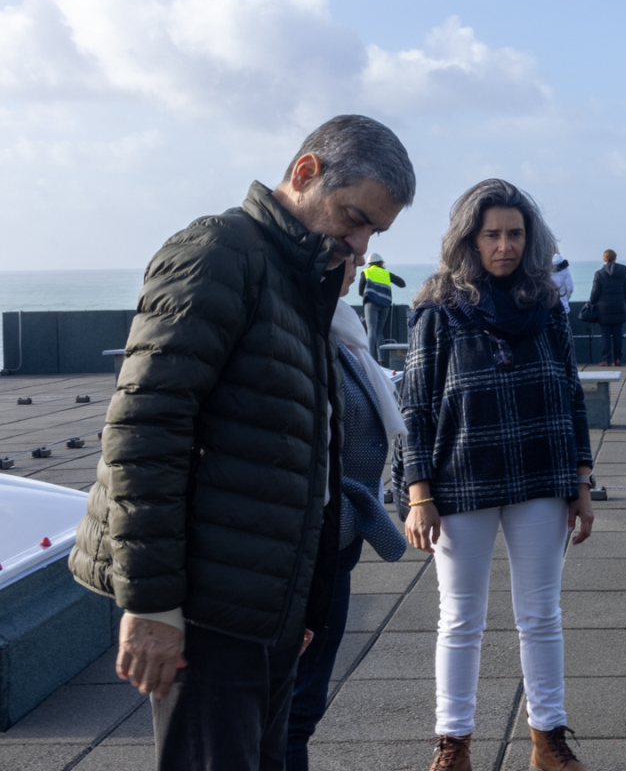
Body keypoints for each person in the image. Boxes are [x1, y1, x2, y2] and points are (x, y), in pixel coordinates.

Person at [68, 114, 416, 771]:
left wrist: (304, 601)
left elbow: (308, 458)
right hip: (207, 610)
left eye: (374, 230)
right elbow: (144, 432)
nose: (361, 245)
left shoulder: (298, 280)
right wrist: (151, 606)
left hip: (267, 606)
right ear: (306, 172)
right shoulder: (219, 252)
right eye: (353, 217)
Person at [399, 178, 595, 771]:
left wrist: (581, 482)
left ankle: (547, 740)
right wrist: (418, 494)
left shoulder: (546, 306)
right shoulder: (439, 309)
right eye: (493, 235)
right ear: (471, 239)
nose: (505, 245)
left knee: (541, 615)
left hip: (540, 476)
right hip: (460, 484)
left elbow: (570, 394)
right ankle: (452, 745)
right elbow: (416, 406)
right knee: (460, 619)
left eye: (515, 234)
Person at [286, 253, 409, 770]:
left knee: (303, 708)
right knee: (286, 711)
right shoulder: (299, 335)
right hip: (294, 548)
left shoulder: (345, 332)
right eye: (347, 248)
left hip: (336, 542)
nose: (358, 260)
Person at [358, 252, 406, 362]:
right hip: (385, 305)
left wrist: (363, 294)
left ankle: (370, 357)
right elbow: (402, 283)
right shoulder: (386, 273)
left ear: (369, 263)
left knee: (371, 330)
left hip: (371, 304)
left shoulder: (366, 271)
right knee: (379, 332)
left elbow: (361, 288)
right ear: (381, 263)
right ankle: (381, 359)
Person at [588, 249, 626, 367]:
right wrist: (621, 301)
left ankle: (606, 360)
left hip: (603, 310)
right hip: (619, 308)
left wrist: (593, 302)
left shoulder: (599, 274)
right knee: (617, 334)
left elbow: (595, 293)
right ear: (615, 258)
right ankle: (617, 359)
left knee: (605, 335)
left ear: (604, 258)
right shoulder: (623, 273)